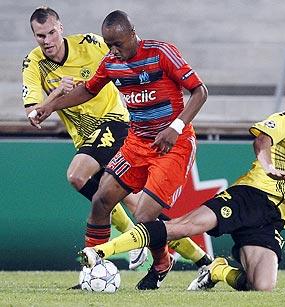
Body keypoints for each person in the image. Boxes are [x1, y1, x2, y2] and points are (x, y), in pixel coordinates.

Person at [79, 79, 285, 291]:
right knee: (182, 226)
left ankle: (217, 270)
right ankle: (101, 251)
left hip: (275, 218)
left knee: (262, 287)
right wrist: (267, 165)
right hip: (251, 196)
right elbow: (262, 139)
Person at [34, 10, 212, 290]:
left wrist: (175, 127)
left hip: (173, 145)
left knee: (144, 216)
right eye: (109, 45)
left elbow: (200, 91)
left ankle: (161, 262)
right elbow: (89, 90)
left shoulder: (162, 52)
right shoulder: (111, 62)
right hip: (136, 144)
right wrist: (50, 106)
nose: (114, 50)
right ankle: (92, 274)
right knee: (100, 201)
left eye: (118, 43)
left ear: (133, 33)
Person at [22, 6, 149, 271]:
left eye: (51, 33)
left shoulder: (90, 44)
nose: (47, 41)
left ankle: (135, 240)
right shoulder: (34, 63)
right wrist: (56, 92)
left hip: (114, 121)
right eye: (40, 36)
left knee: (77, 175)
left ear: (61, 28)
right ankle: (158, 243)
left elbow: (125, 56)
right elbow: (34, 115)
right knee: (118, 195)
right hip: (85, 139)